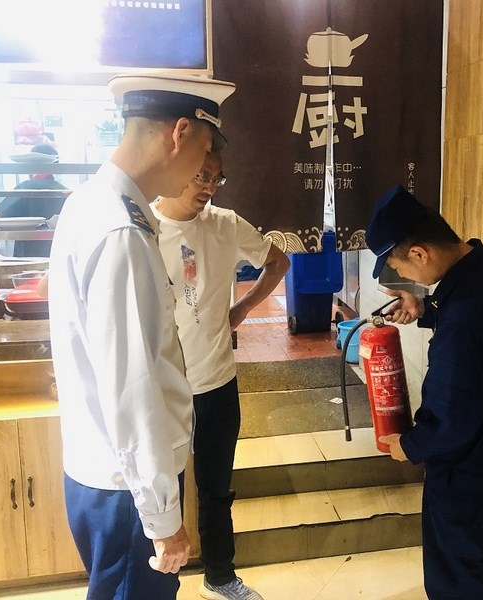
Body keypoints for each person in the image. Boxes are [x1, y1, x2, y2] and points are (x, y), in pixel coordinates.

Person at [47, 72, 235, 600]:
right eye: (205, 148)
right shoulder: (122, 231)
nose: (203, 168)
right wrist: (161, 518)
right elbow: (132, 389)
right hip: (128, 487)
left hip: (107, 473)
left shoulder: (91, 201)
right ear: (180, 133)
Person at [366, 185, 483, 600]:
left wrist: (409, 445)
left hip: (467, 465)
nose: (406, 277)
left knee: (455, 579)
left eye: (399, 266)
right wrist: (425, 309)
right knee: (470, 562)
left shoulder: (463, 318)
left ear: (419, 253)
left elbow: (452, 417)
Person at [152, 150, 289, 600]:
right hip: (162, 388)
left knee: (215, 486)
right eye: (201, 176)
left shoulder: (225, 223)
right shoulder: (143, 227)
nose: (209, 187)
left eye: (217, 178)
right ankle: (161, 583)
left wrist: (242, 309)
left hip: (216, 381)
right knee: (163, 491)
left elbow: (278, 262)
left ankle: (220, 575)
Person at [0, 143, 68, 257]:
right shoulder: (65, 191)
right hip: (57, 254)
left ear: (30, 165)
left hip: (27, 256)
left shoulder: (25, 187)